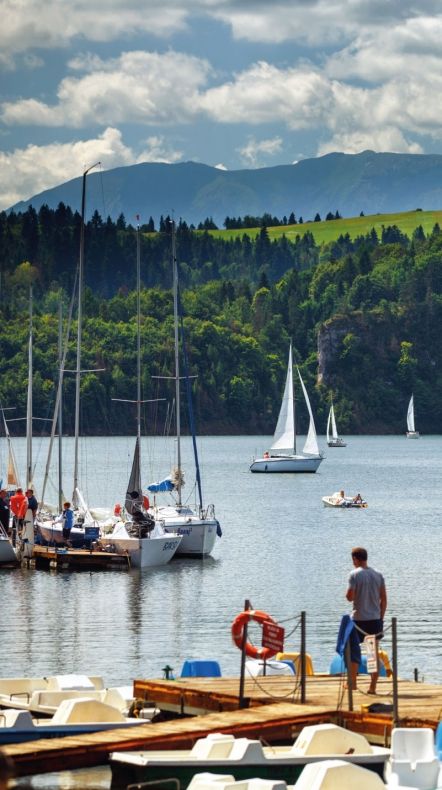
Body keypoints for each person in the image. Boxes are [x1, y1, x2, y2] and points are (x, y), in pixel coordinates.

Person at [346, 546, 387, 694]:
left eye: (353, 560)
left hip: (358, 620)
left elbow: (350, 596)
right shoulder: (378, 574)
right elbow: (384, 599)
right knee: (372, 654)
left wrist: (350, 595)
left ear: (355, 559)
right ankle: (372, 687)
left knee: (352, 651)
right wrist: (380, 619)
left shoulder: (354, 574)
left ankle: (353, 684)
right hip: (374, 620)